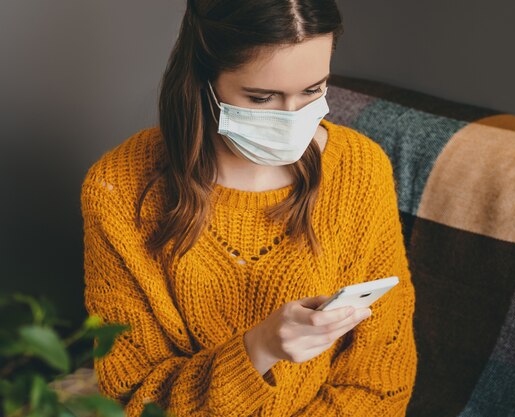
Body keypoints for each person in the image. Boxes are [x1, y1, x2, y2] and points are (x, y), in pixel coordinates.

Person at [80, 1, 418, 416]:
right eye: (261, 97)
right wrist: (259, 349)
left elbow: (380, 377)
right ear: (205, 79)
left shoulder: (361, 170)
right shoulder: (119, 191)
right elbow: (132, 396)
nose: (293, 118)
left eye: (314, 91)